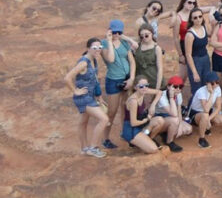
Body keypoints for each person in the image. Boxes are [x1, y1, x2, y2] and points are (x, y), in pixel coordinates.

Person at [64, 37, 110, 157]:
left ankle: (84, 148)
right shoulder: (84, 62)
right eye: (94, 48)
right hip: (84, 98)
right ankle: (93, 148)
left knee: (83, 122)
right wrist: (75, 91)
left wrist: (99, 97)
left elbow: (94, 81)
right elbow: (68, 77)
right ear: (88, 48)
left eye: (100, 47)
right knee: (104, 119)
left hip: (90, 96)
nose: (98, 50)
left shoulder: (93, 60)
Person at [100, 19, 135, 149]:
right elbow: (110, 59)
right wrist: (109, 40)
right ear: (109, 30)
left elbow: (132, 61)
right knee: (112, 111)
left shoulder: (124, 43)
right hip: (113, 80)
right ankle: (106, 138)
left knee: (125, 108)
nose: (116, 35)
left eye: (119, 32)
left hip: (126, 79)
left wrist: (131, 78)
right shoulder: (103, 44)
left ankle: (124, 133)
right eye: (114, 32)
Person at [122, 78, 177, 154]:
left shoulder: (144, 91)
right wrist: (147, 119)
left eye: (146, 85)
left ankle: (149, 138)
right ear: (135, 87)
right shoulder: (133, 101)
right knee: (153, 149)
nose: (144, 88)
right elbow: (133, 123)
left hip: (141, 124)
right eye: (141, 86)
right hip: (132, 129)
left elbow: (159, 92)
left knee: (160, 120)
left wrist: (153, 105)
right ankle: (135, 141)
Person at [187, 71, 222, 148]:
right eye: (212, 83)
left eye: (217, 82)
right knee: (205, 115)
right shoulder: (201, 91)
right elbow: (205, 109)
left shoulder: (218, 89)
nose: (215, 85)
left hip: (207, 112)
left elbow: (218, 107)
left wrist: (209, 119)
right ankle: (201, 139)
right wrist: (211, 94)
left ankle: (205, 126)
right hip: (195, 113)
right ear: (207, 83)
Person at [154, 75, 192, 144]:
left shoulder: (178, 94)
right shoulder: (163, 96)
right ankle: (167, 138)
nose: (178, 89)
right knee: (175, 120)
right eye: (175, 86)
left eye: (180, 87)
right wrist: (171, 97)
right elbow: (174, 114)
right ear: (168, 87)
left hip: (171, 118)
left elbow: (179, 111)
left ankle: (167, 133)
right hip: (160, 119)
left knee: (189, 129)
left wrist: (180, 126)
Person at [184, 7, 211, 96]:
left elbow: (211, 33)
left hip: (205, 59)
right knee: (197, 88)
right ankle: (194, 108)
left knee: (206, 84)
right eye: (195, 18)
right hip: (195, 61)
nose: (198, 19)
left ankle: (206, 108)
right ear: (191, 20)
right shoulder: (190, 34)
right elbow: (188, 55)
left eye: (200, 16)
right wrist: (194, 72)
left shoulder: (204, 28)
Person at [173, 0, 200, 80]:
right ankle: (175, 92)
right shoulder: (178, 17)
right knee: (183, 76)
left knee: (197, 72)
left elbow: (210, 8)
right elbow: (176, 38)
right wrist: (180, 55)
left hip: (196, 45)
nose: (192, 5)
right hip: (184, 45)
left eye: (194, 3)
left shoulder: (195, 13)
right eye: (189, 2)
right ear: (183, 3)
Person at [132, 24, 163, 93]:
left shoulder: (157, 48)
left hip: (153, 79)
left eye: (146, 35)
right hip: (140, 83)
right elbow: (121, 36)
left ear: (152, 34)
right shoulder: (137, 46)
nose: (144, 38)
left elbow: (160, 69)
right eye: (141, 36)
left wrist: (157, 88)